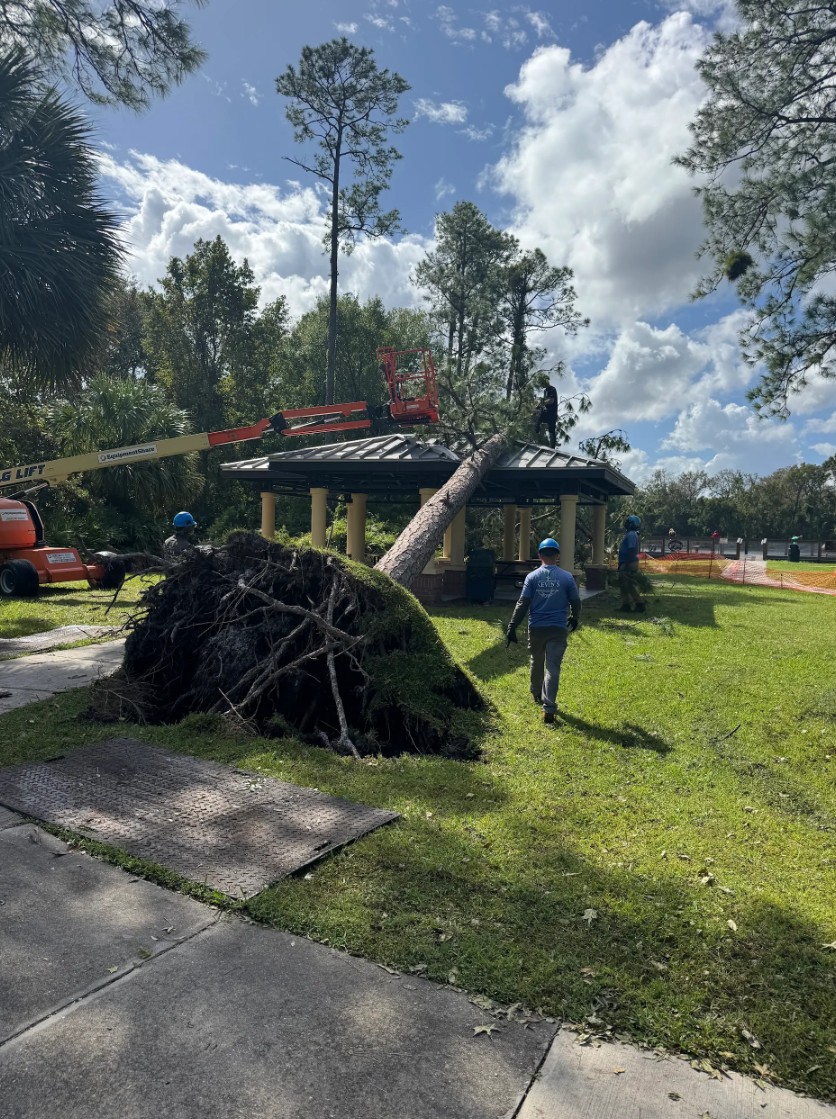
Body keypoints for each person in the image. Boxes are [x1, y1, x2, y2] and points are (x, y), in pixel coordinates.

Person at [505, 537, 581, 724]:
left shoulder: (532, 577)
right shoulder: (566, 577)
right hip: (557, 628)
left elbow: (523, 603)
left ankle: (535, 692)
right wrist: (574, 616)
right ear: (557, 555)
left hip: (536, 627)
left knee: (536, 660)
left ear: (539, 555)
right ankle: (549, 707)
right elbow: (576, 601)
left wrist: (512, 626)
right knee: (552, 668)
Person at [618, 514, 645, 612]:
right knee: (623, 584)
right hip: (626, 562)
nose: (626, 524)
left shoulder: (631, 534)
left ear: (632, 524)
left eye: (628, 522)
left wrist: (627, 563)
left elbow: (631, 548)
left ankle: (639, 604)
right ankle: (626, 605)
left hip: (629, 563)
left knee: (629, 584)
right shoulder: (631, 534)